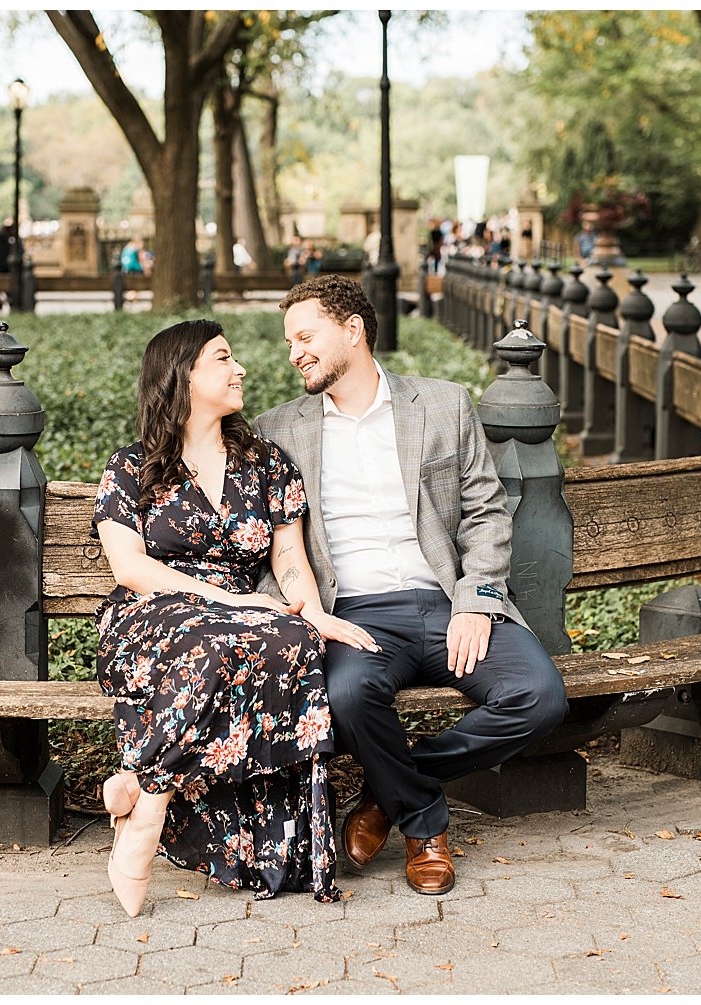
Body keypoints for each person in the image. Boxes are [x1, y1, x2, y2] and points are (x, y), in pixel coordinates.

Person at [255, 274, 569, 896]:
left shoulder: (444, 404)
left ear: (353, 330)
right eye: (290, 342)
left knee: (540, 697)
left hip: (448, 599)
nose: (295, 353)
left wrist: (476, 602)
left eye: (306, 336)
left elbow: (485, 511)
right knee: (345, 699)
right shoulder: (277, 430)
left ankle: (386, 789)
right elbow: (271, 547)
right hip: (359, 614)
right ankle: (425, 826)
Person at [92, 319, 356, 917]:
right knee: (217, 643)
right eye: (223, 359)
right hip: (151, 617)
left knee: (295, 636)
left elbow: (288, 557)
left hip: (244, 620)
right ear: (182, 376)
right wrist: (225, 601)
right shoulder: (131, 468)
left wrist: (315, 615)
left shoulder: (265, 463)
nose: (240, 370)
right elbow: (130, 568)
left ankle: (140, 781)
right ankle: (147, 819)